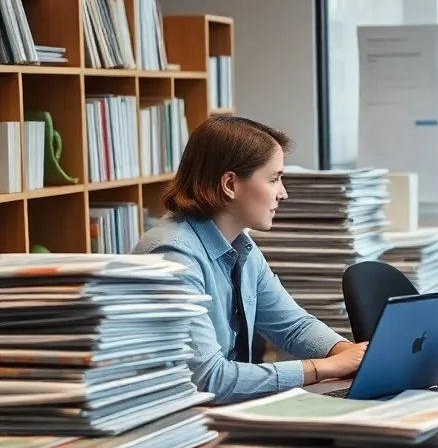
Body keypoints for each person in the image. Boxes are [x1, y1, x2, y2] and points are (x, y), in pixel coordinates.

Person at [133, 116, 365, 405]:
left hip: (223, 413)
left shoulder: (242, 247)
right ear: (230, 184)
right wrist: (321, 368)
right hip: (178, 422)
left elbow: (293, 326)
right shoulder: (173, 256)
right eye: (273, 179)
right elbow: (208, 380)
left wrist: (350, 354)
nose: (283, 193)